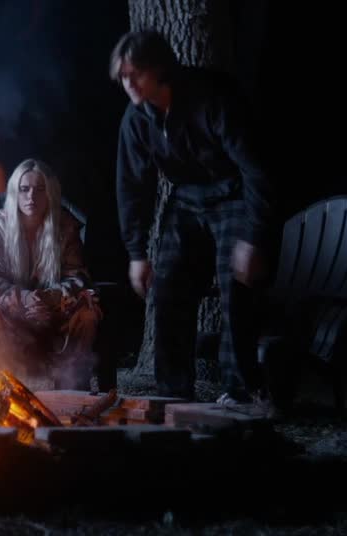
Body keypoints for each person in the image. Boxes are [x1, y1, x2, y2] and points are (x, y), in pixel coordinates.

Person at [110, 31, 277, 410]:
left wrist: (253, 236)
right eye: (122, 76)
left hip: (234, 192)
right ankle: (172, 392)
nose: (128, 83)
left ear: (158, 68)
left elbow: (256, 168)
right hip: (187, 197)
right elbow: (131, 186)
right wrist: (136, 253)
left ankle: (241, 392)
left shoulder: (212, 97)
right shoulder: (136, 119)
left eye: (135, 74)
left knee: (236, 285)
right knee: (167, 285)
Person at [0, 158, 102, 389]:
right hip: (14, 311)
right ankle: (7, 385)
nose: (31, 196)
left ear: (50, 193)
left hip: (55, 309)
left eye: (39, 189)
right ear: (15, 193)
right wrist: (24, 299)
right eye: (24, 189)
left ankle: (71, 386)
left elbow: (76, 276)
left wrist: (47, 299)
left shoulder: (64, 226)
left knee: (87, 314)